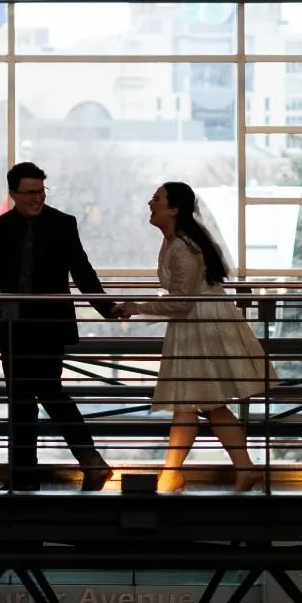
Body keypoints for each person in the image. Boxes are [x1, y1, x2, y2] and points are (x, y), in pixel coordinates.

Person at [115, 181, 271, 492]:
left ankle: (184, 474)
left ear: (173, 209)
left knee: (200, 401)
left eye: (156, 199)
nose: (150, 203)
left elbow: (182, 301)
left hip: (199, 327)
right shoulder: (180, 241)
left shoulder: (182, 247)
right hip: (197, 325)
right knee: (193, 403)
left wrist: (137, 307)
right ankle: (178, 473)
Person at [0, 161, 117, 491]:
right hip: (14, 325)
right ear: (13, 194)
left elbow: (82, 271)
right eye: (31, 192)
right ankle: (30, 477)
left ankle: (83, 463)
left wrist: (107, 308)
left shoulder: (63, 223)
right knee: (21, 401)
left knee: (46, 391)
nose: (38, 198)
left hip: (49, 324)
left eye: (41, 191)